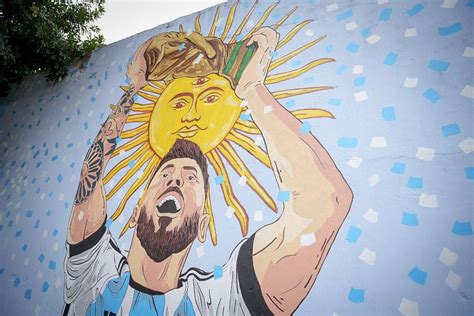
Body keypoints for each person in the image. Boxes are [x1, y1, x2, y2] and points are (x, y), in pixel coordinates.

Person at [63, 28, 353, 315]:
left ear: (203, 224)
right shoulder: (94, 274)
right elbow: (92, 173)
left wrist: (252, 88)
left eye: (191, 178)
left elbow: (325, 201)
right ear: (136, 212)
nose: (175, 178)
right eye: (165, 175)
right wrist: (135, 87)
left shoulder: (221, 303)